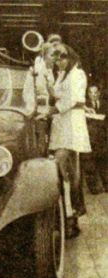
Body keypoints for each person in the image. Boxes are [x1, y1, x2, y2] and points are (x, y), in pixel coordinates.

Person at [46, 44, 91, 237]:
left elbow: (71, 99)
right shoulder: (62, 75)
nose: (59, 61)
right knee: (65, 173)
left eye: (63, 57)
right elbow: (58, 95)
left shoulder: (77, 74)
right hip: (61, 127)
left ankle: (73, 217)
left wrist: (52, 110)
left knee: (69, 172)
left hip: (72, 128)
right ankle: (68, 217)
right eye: (56, 58)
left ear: (71, 57)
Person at [82, 85, 108, 193]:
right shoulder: (84, 106)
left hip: (103, 139)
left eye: (95, 92)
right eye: (90, 93)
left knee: (104, 163)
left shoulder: (105, 105)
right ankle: (93, 188)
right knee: (89, 164)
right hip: (90, 138)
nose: (93, 95)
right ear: (87, 94)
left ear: (99, 93)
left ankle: (107, 185)